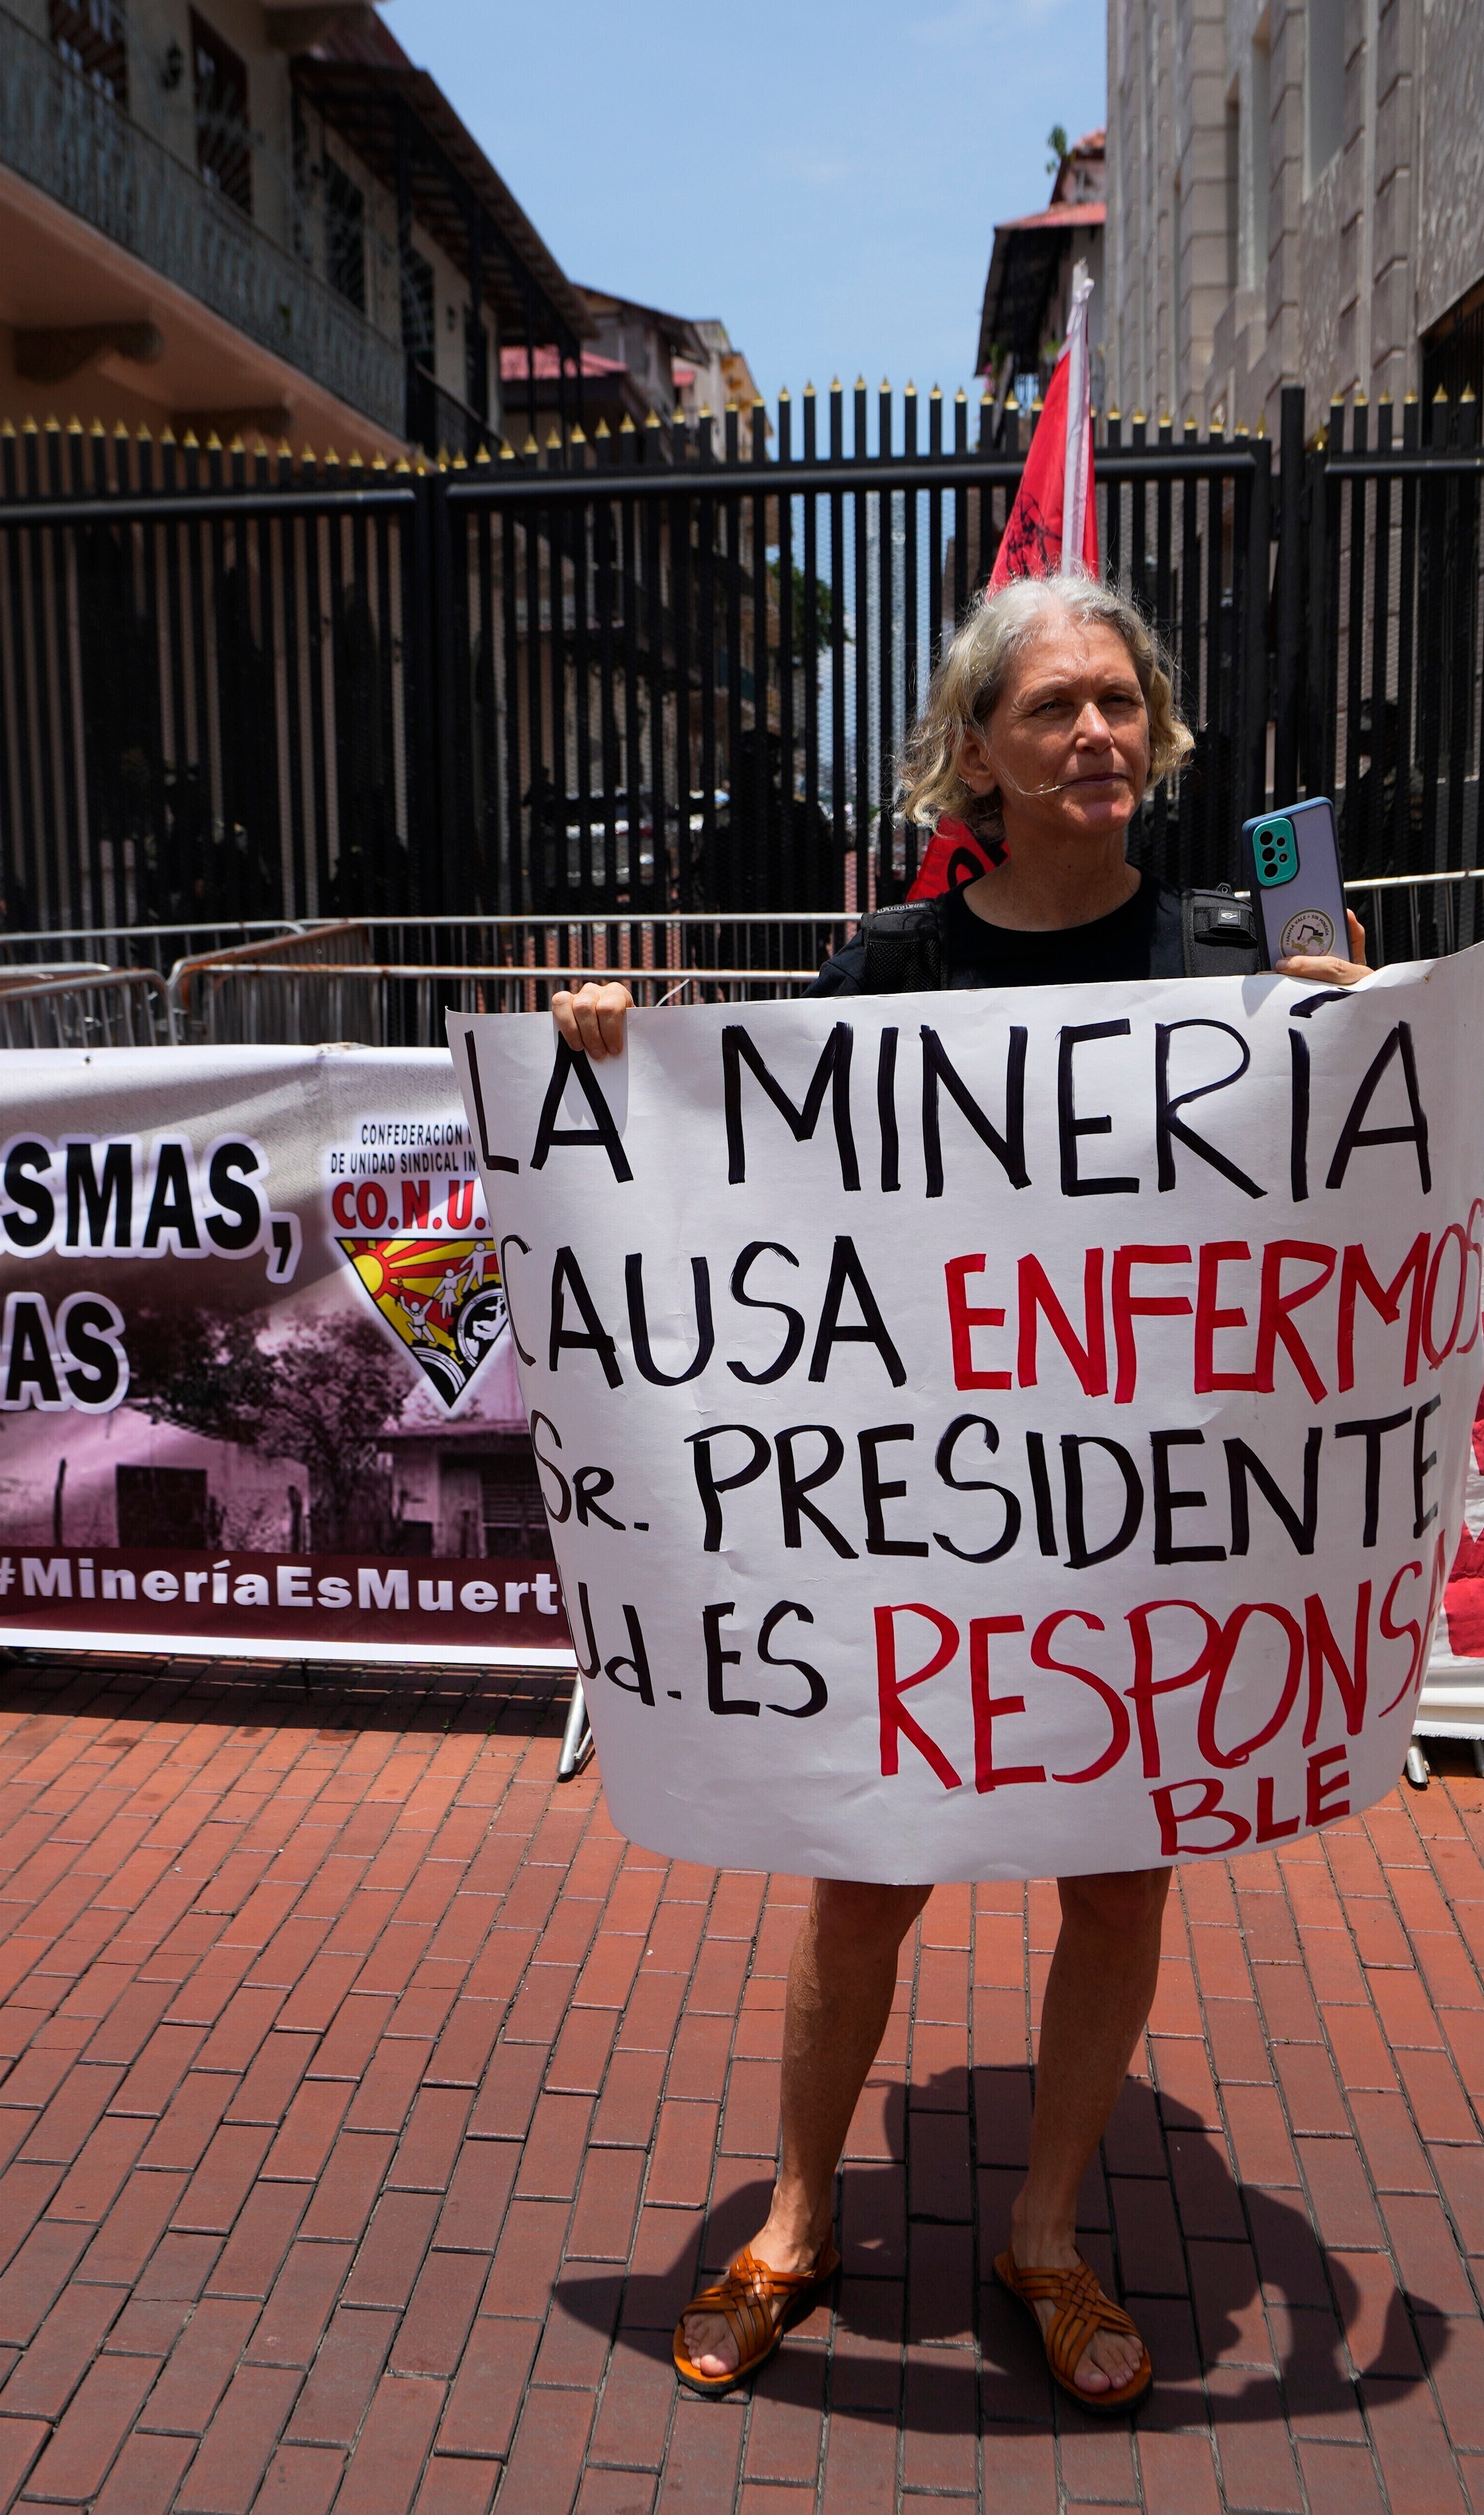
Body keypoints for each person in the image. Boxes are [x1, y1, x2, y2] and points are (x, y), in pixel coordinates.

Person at [549, 573, 1367, 2414]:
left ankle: (1047, 2232)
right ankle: (792, 2217)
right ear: (974, 756)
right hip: (926, 1527)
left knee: (1116, 1881)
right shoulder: (891, 977)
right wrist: (613, 1060)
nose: (1094, 732)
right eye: (1051, 707)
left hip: (1143, 1524)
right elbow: (746, 1177)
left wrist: (1349, 1030)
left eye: (1118, 704)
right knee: (864, 1882)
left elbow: (1327, 1205)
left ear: (1156, 738)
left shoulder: (1241, 955)